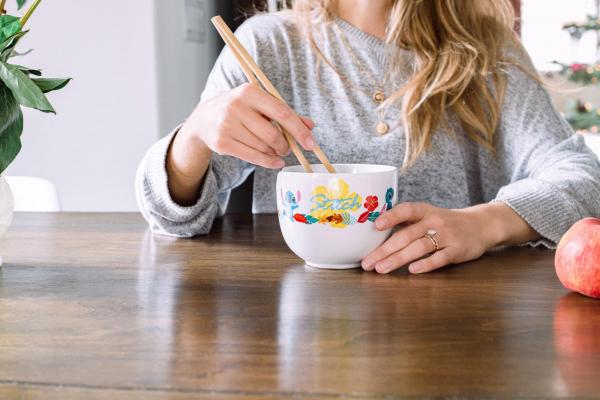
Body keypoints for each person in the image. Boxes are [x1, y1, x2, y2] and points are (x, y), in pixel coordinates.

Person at [136, 0, 600, 274]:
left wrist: (486, 224)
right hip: (300, 325)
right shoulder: (265, 48)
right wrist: (194, 138)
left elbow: (584, 182)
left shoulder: (486, 53)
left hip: (453, 331)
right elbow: (171, 217)